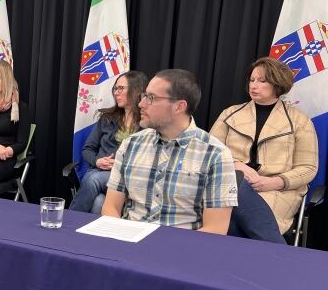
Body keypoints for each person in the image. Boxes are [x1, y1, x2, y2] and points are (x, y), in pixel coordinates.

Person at [102, 69, 238, 234]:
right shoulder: (131, 144)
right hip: (127, 242)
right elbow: (110, 207)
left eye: (151, 98)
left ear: (179, 106)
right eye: (144, 96)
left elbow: (216, 229)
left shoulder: (215, 154)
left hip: (180, 250)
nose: (141, 104)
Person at [210, 57, 318, 243]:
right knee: (237, 185)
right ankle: (279, 254)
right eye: (252, 80)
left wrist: (273, 182)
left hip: (278, 190)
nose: (254, 86)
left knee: (231, 219)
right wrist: (238, 167)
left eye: (262, 81)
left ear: (278, 84)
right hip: (230, 183)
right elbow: (209, 153)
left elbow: (308, 168)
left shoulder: (300, 121)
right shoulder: (230, 114)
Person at [69, 71, 148, 213]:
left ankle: (70, 221)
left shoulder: (146, 124)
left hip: (127, 178)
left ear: (136, 90)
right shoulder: (107, 118)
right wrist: (97, 161)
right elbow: (87, 149)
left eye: (121, 88)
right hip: (101, 172)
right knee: (99, 201)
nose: (116, 93)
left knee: (93, 179)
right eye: (115, 89)